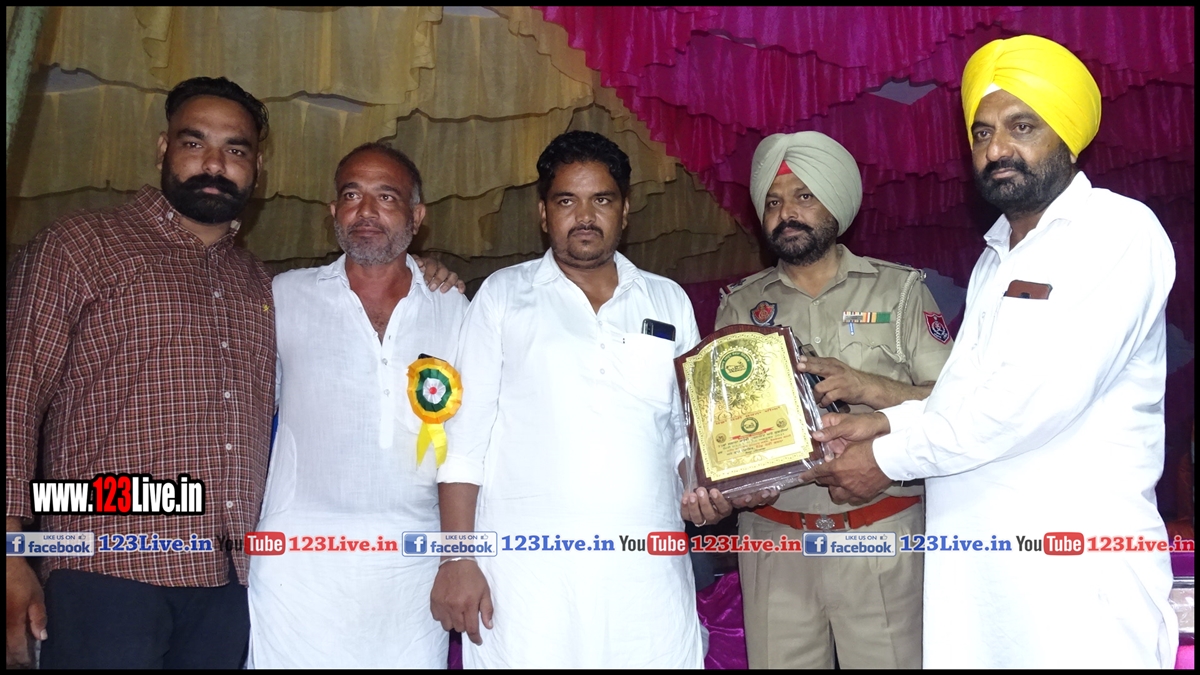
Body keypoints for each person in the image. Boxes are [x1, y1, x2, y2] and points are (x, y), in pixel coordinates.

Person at [5, 77, 459, 669]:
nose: (215, 163)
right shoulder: (81, 246)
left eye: (235, 149)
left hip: (227, 581)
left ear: (257, 169)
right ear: (163, 147)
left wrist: (425, 273)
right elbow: (15, 396)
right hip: (105, 566)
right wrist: (12, 549)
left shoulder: (262, 286)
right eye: (195, 143)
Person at [804, 34, 1179, 668]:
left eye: (1021, 126)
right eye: (982, 133)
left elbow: (1027, 402)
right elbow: (968, 397)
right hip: (980, 584)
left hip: (1075, 584)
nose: (997, 148)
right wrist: (887, 423)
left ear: (1068, 136)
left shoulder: (1115, 230)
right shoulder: (995, 258)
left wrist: (888, 457)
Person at [429, 130, 731, 668]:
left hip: (647, 574)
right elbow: (463, 440)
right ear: (543, 213)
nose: (585, 216)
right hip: (528, 580)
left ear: (625, 211)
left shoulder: (668, 299)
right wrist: (455, 558)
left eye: (602, 200)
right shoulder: (503, 295)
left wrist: (706, 487)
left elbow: (683, 435)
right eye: (567, 201)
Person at [715, 131, 952, 669]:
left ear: (836, 204)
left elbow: (953, 406)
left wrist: (871, 387)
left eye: (804, 196)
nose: (786, 213)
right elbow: (722, 433)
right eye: (773, 202)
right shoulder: (739, 307)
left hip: (881, 535)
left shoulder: (898, 292)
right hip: (774, 542)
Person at [246, 143, 467, 668]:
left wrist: (459, 554)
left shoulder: (454, 307)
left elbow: (471, 442)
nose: (366, 211)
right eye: (351, 195)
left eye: (386, 197)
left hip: (413, 567)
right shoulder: (283, 296)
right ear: (333, 211)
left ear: (417, 217)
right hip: (298, 567)